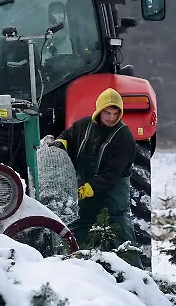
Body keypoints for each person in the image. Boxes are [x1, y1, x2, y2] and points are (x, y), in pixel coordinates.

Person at [43, 88, 136, 249]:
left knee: (122, 242)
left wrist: (87, 190)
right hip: (84, 198)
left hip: (112, 200)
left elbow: (111, 174)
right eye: (107, 113)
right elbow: (67, 136)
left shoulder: (124, 137)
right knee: (76, 235)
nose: (111, 118)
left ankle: (133, 272)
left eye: (115, 113)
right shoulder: (83, 126)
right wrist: (59, 144)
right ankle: (78, 267)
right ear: (99, 110)